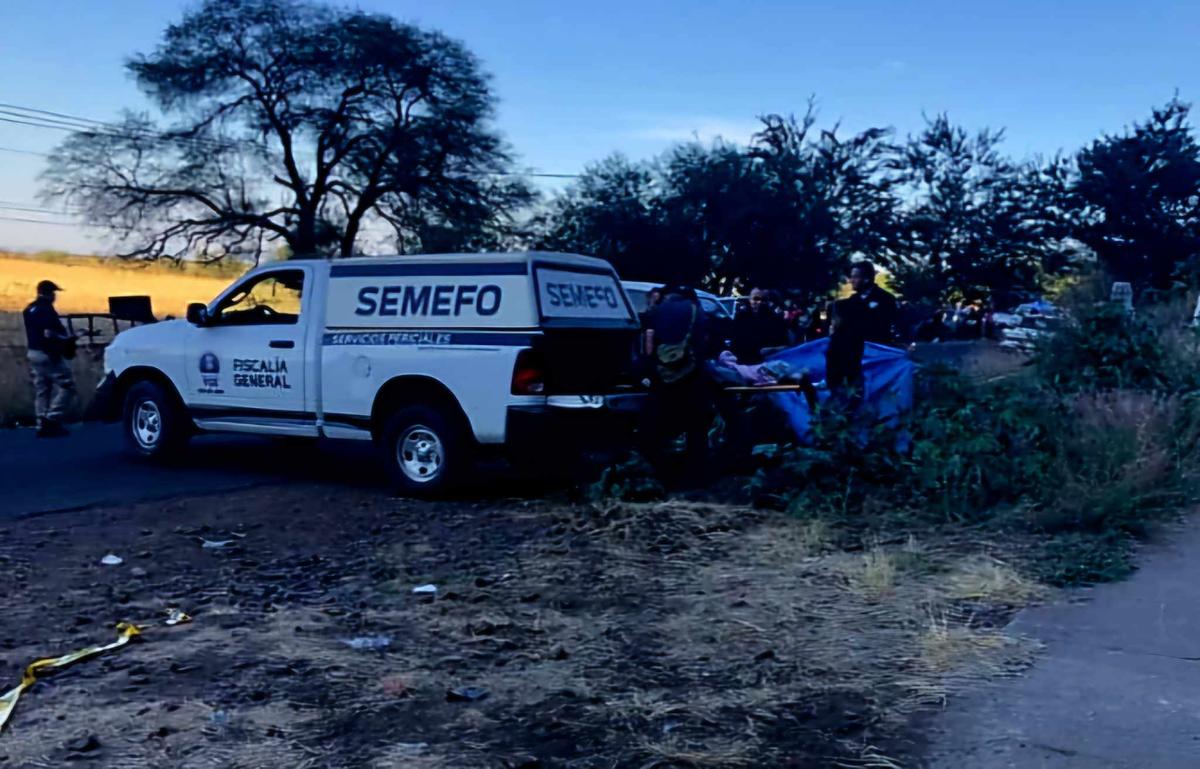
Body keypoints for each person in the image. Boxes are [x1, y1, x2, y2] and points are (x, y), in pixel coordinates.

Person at [642, 286, 712, 472]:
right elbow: (703, 343)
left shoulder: (656, 312)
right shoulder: (695, 309)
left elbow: (648, 346)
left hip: (662, 377)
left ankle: (657, 469)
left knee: (657, 424)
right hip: (690, 376)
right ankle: (696, 470)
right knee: (696, 426)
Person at [23, 280, 77, 437]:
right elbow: (48, 333)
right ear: (48, 293)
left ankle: (40, 423)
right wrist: (64, 339)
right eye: (54, 293)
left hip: (33, 352)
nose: (55, 296)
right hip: (47, 355)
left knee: (42, 389)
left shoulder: (29, 308)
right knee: (68, 386)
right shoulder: (46, 309)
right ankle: (51, 419)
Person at [825, 298, 866, 409]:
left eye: (834, 317)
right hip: (852, 386)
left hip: (842, 386)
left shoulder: (840, 340)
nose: (832, 321)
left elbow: (836, 365)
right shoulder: (857, 337)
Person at [731, 287, 791, 364]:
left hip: (770, 361)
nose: (759, 302)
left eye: (763, 300)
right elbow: (736, 345)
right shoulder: (740, 318)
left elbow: (785, 345)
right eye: (755, 299)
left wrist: (772, 349)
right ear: (749, 299)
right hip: (745, 361)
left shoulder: (775, 319)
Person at [848, 262, 898, 346]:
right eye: (851, 277)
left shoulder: (886, 298)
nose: (851, 281)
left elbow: (888, 324)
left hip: (878, 348)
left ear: (866, 279)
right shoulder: (852, 299)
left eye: (855, 277)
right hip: (854, 348)